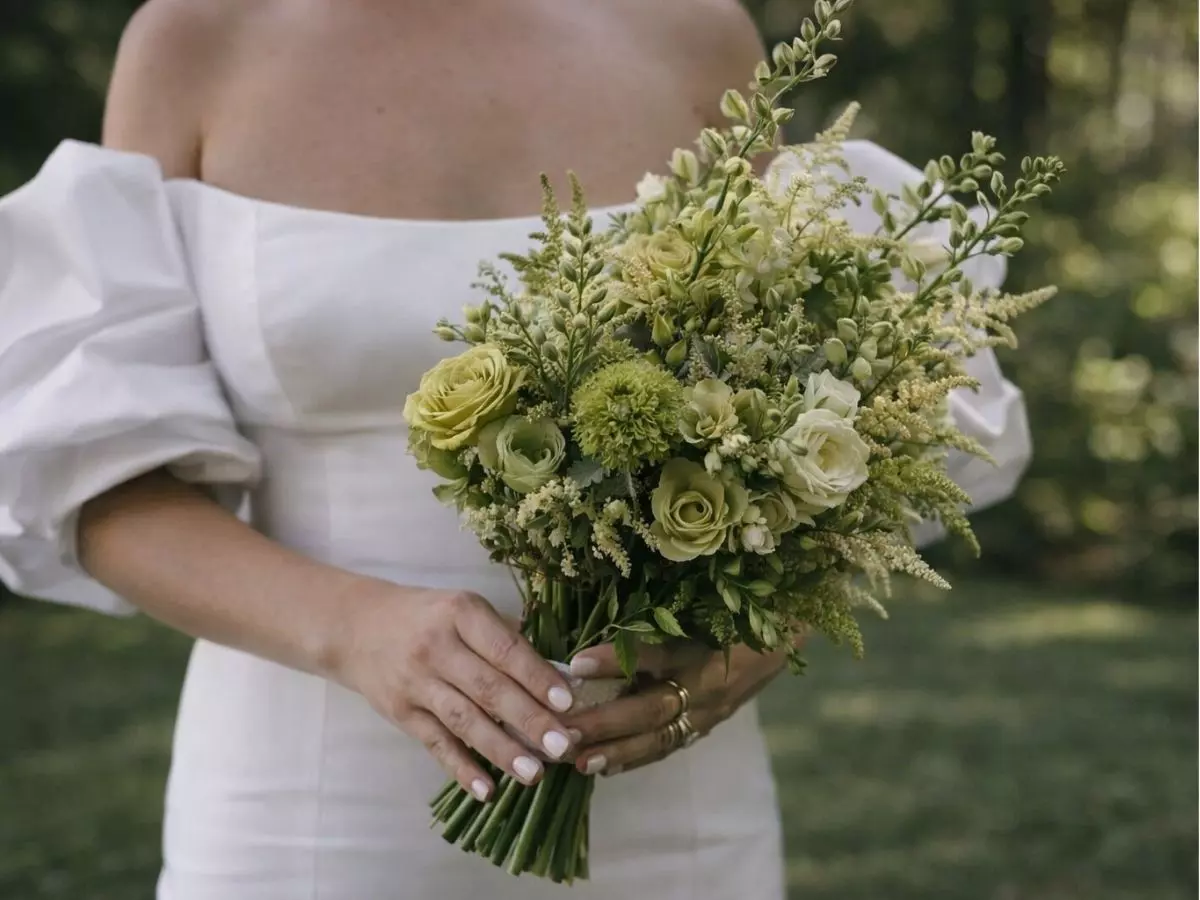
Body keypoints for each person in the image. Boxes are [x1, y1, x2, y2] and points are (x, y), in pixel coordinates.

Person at [0, 1, 1033, 897]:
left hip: (664, 797)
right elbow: (101, 481)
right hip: (305, 806)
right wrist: (356, 629)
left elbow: (839, 409)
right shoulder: (194, 41)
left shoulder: (694, 35)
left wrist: (752, 646)